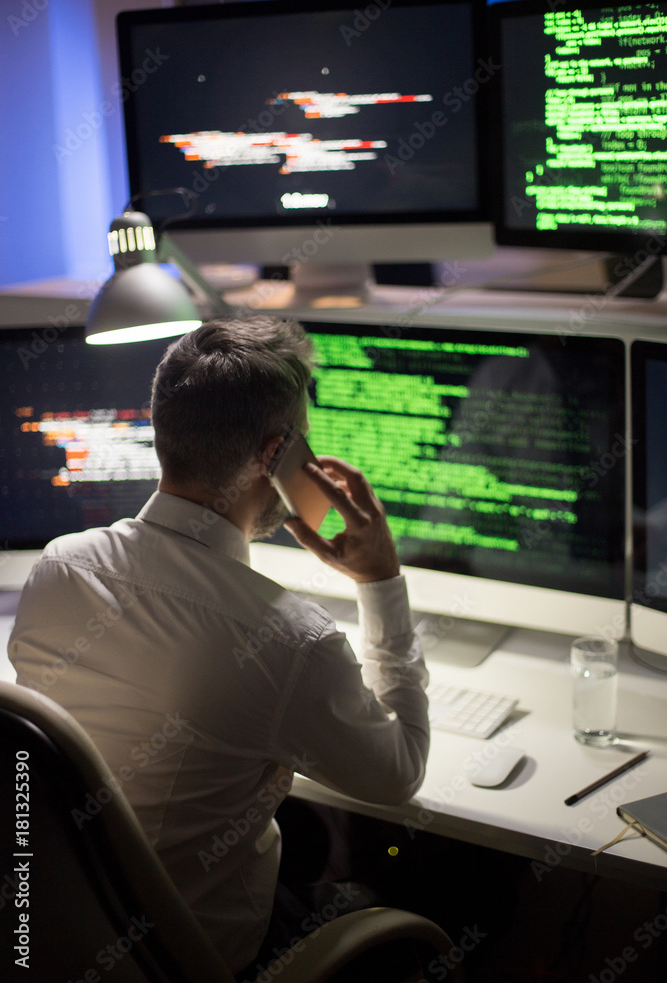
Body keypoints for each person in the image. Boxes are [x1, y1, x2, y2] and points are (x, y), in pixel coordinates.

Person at [9, 315, 430, 976]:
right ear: (274, 455)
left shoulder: (59, 567)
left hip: (57, 941)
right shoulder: (291, 639)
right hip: (195, 958)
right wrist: (380, 581)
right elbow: (398, 776)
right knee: (400, 885)